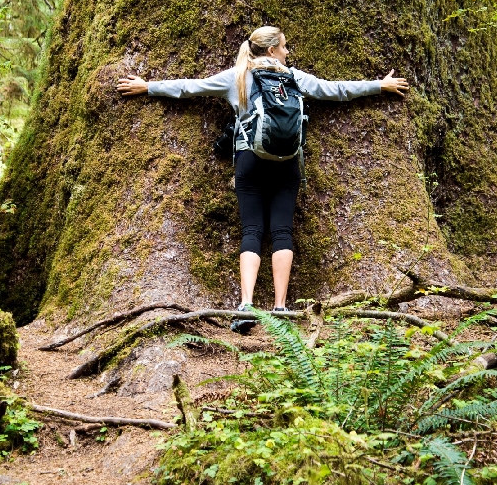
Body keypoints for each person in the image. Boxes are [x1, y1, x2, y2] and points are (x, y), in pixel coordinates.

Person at [116, 26, 408, 333]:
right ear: (271, 51)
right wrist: (379, 85)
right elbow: (336, 90)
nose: (287, 52)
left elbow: (191, 87)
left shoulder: (238, 77)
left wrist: (148, 86)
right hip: (288, 163)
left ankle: (246, 305)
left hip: (250, 160)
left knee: (252, 230)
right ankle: (280, 308)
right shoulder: (295, 77)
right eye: (284, 47)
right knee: (282, 231)